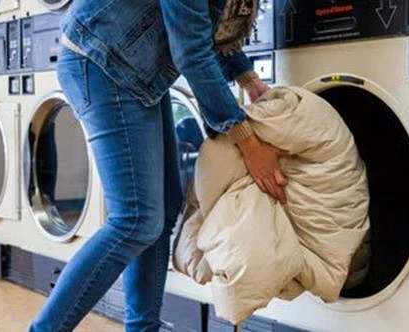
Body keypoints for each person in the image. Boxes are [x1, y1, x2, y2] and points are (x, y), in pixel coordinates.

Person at [30, 0, 287, 331]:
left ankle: (142, 328)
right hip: (101, 62)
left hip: (135, 67)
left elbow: (211, 23)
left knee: (161, 211)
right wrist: (248, 142)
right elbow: (192, 52)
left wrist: (249, 79)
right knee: (136, 220)